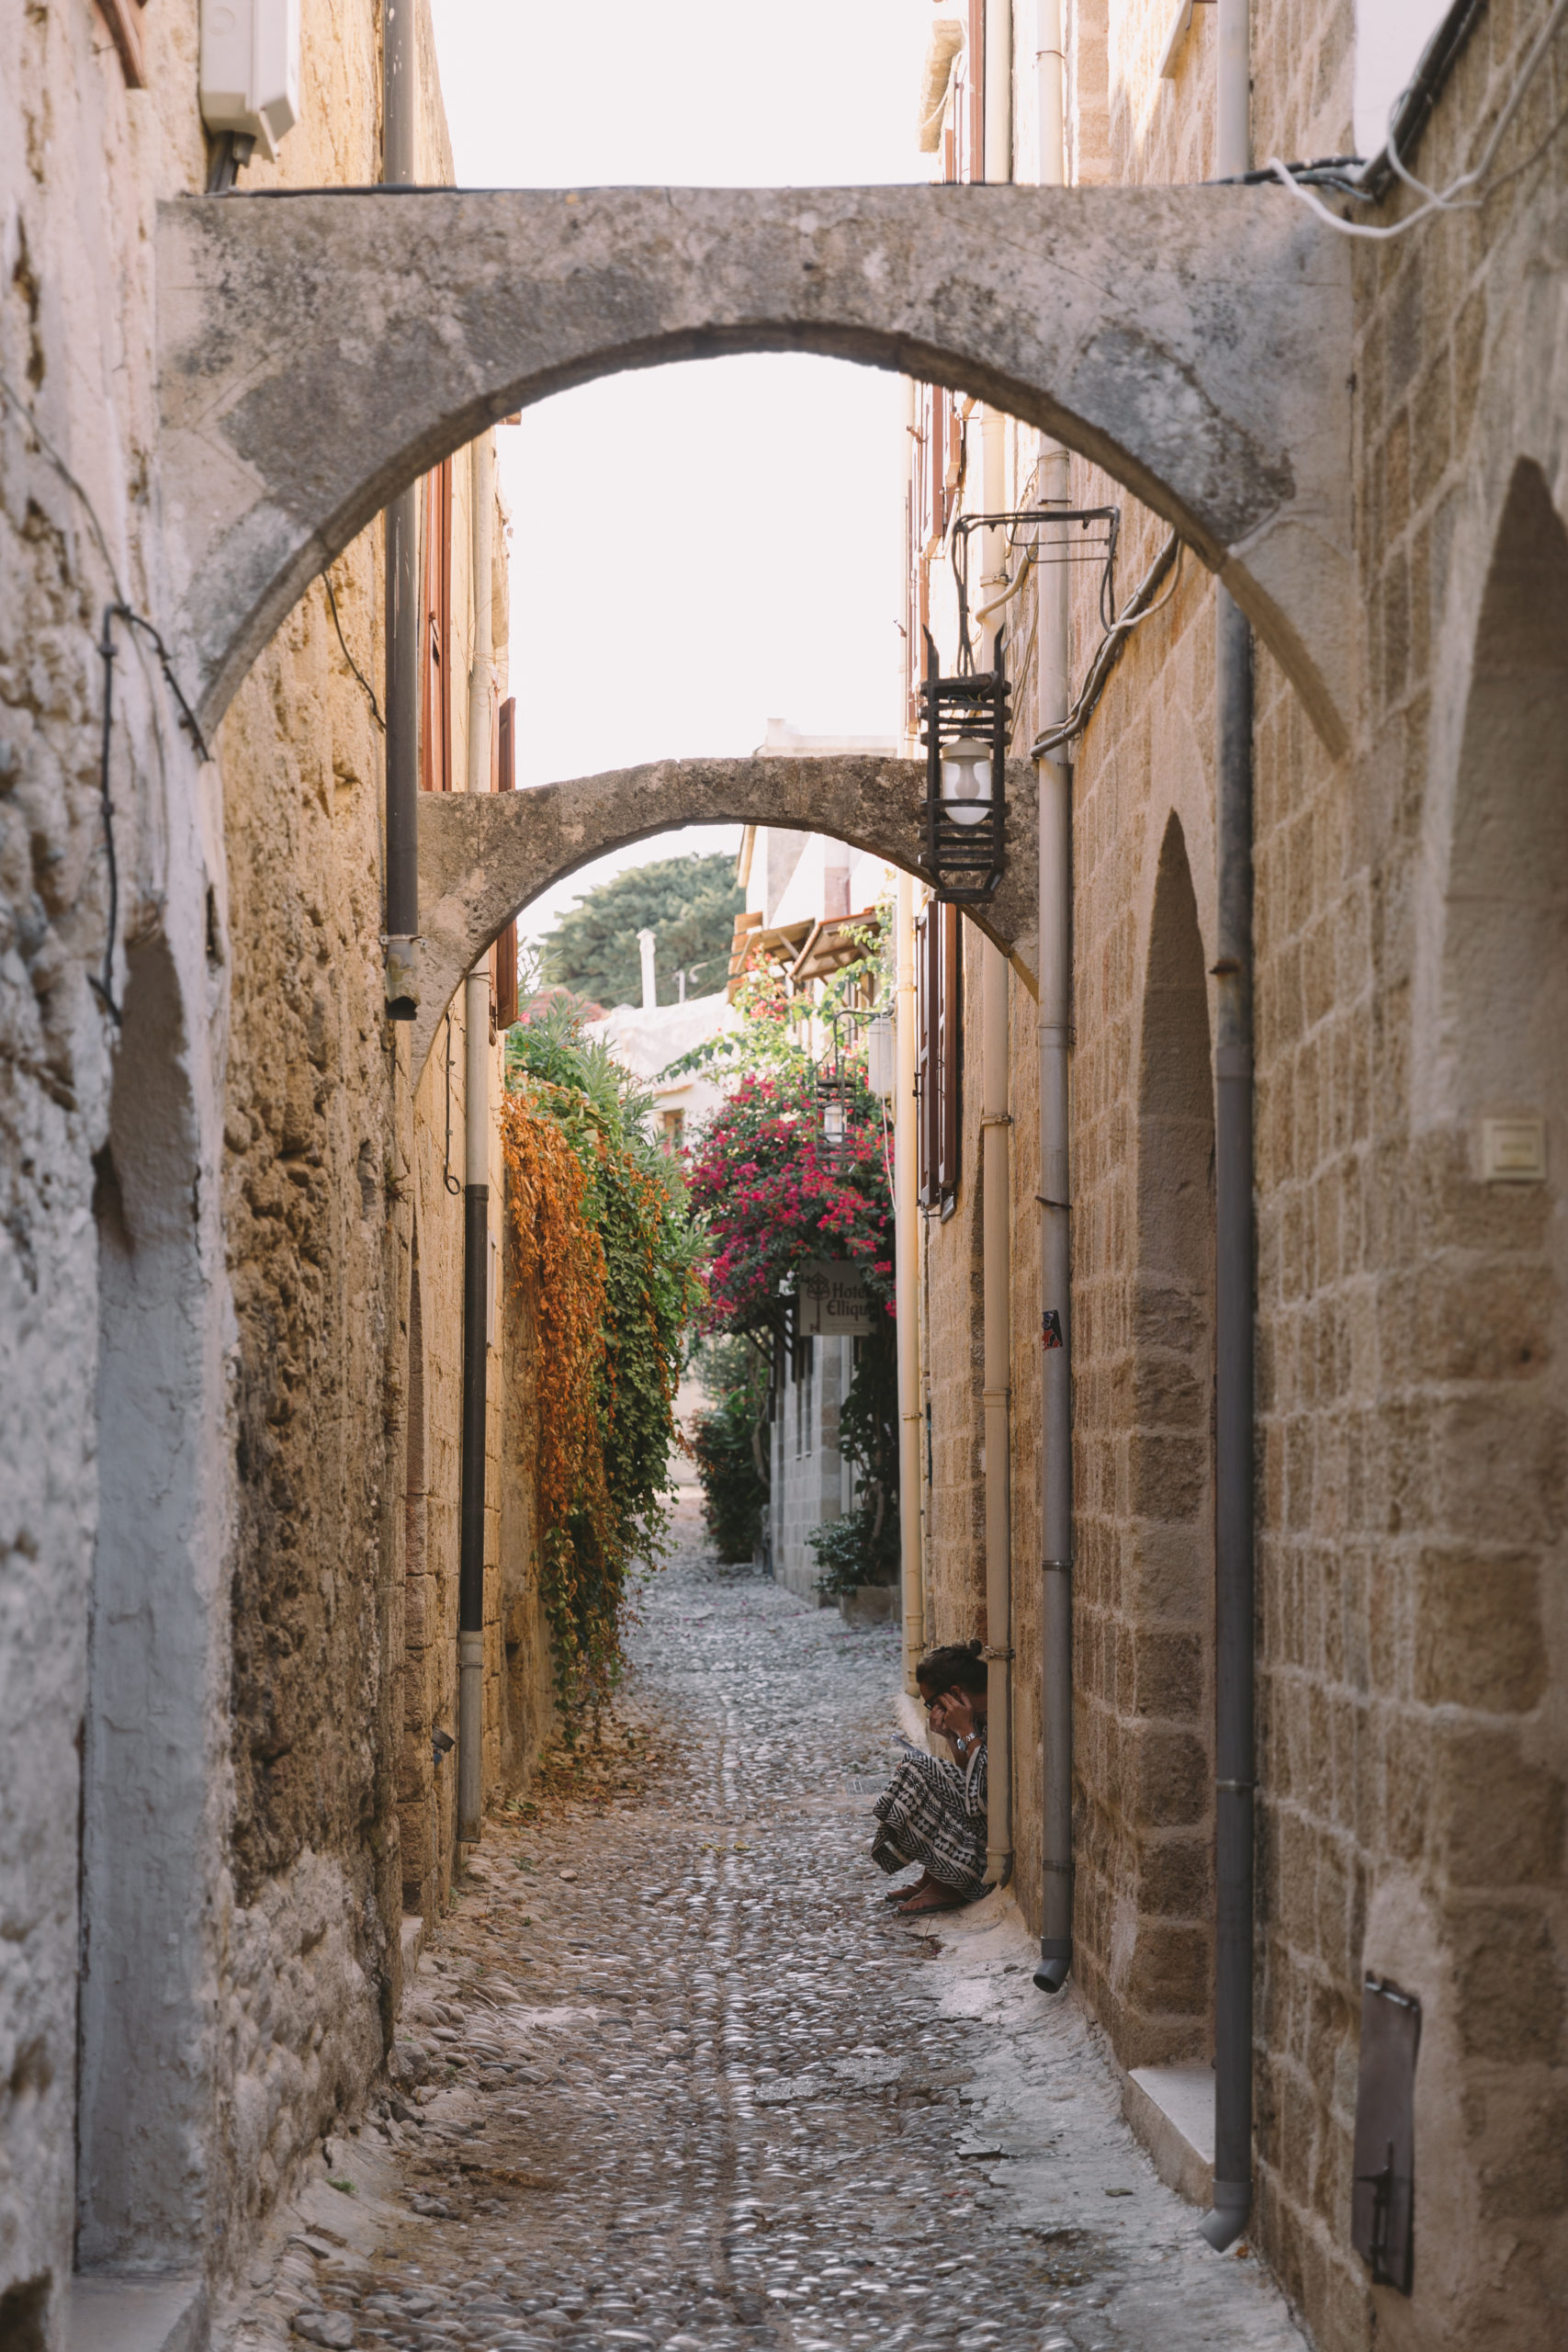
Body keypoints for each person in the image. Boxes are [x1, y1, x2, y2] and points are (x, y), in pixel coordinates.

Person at [871, 1641, 989, 1915]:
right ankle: (935, 1874)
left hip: (985, 1840)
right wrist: (952, 1736)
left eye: (932, 1703)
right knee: (915, 1767)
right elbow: (966, 1772)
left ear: (955, 1694)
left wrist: (968, 1733)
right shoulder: (974, 1719)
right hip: (977, 1819)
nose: (931, 1710)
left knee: (919, 1769)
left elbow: (983, 1797)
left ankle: (953, 1881)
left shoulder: (996, 1715)